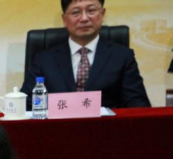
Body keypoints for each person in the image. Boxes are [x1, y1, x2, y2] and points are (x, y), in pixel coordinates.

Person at [20, 0, 150, 109]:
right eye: (76, 12)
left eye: (91, 11)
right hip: (57, 129)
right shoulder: (44, 60)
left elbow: (137, 103)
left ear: (102, 14)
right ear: (64, 19)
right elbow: (27, 103)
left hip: (107, 129)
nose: (84, 18)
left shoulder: (122, 56)